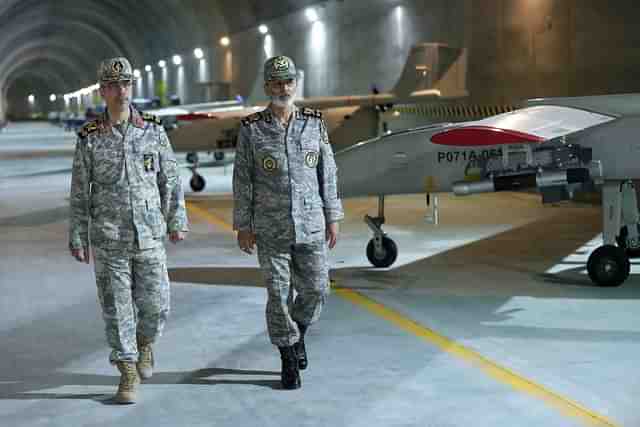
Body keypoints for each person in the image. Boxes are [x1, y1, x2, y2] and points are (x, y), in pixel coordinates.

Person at [68, 57, 188, 404]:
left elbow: (170, 178)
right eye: (114, 85)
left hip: (149, 233)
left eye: (126, 84)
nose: (121, 91)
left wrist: (176, 219)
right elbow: (80, 189)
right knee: (117, 309)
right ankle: (127, 372)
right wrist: (78, 234)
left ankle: (146, 345)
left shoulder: (152, 129)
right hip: (109, 237)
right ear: (103, 91)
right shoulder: (90, 136)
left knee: (156, 305)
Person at [232, 55, 344, 390]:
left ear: (296, 84)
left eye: (289, 82)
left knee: (317, 289)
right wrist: (244, 224)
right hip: (270, 227)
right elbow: (243, 179)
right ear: (267, 86)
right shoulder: (252, 129)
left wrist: (333, 216)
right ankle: (287, 359)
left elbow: (328, 172)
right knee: (279, 295)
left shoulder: (314, 122)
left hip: (310, 222)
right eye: (277, 83)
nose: (284, 88)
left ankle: (298, 336)